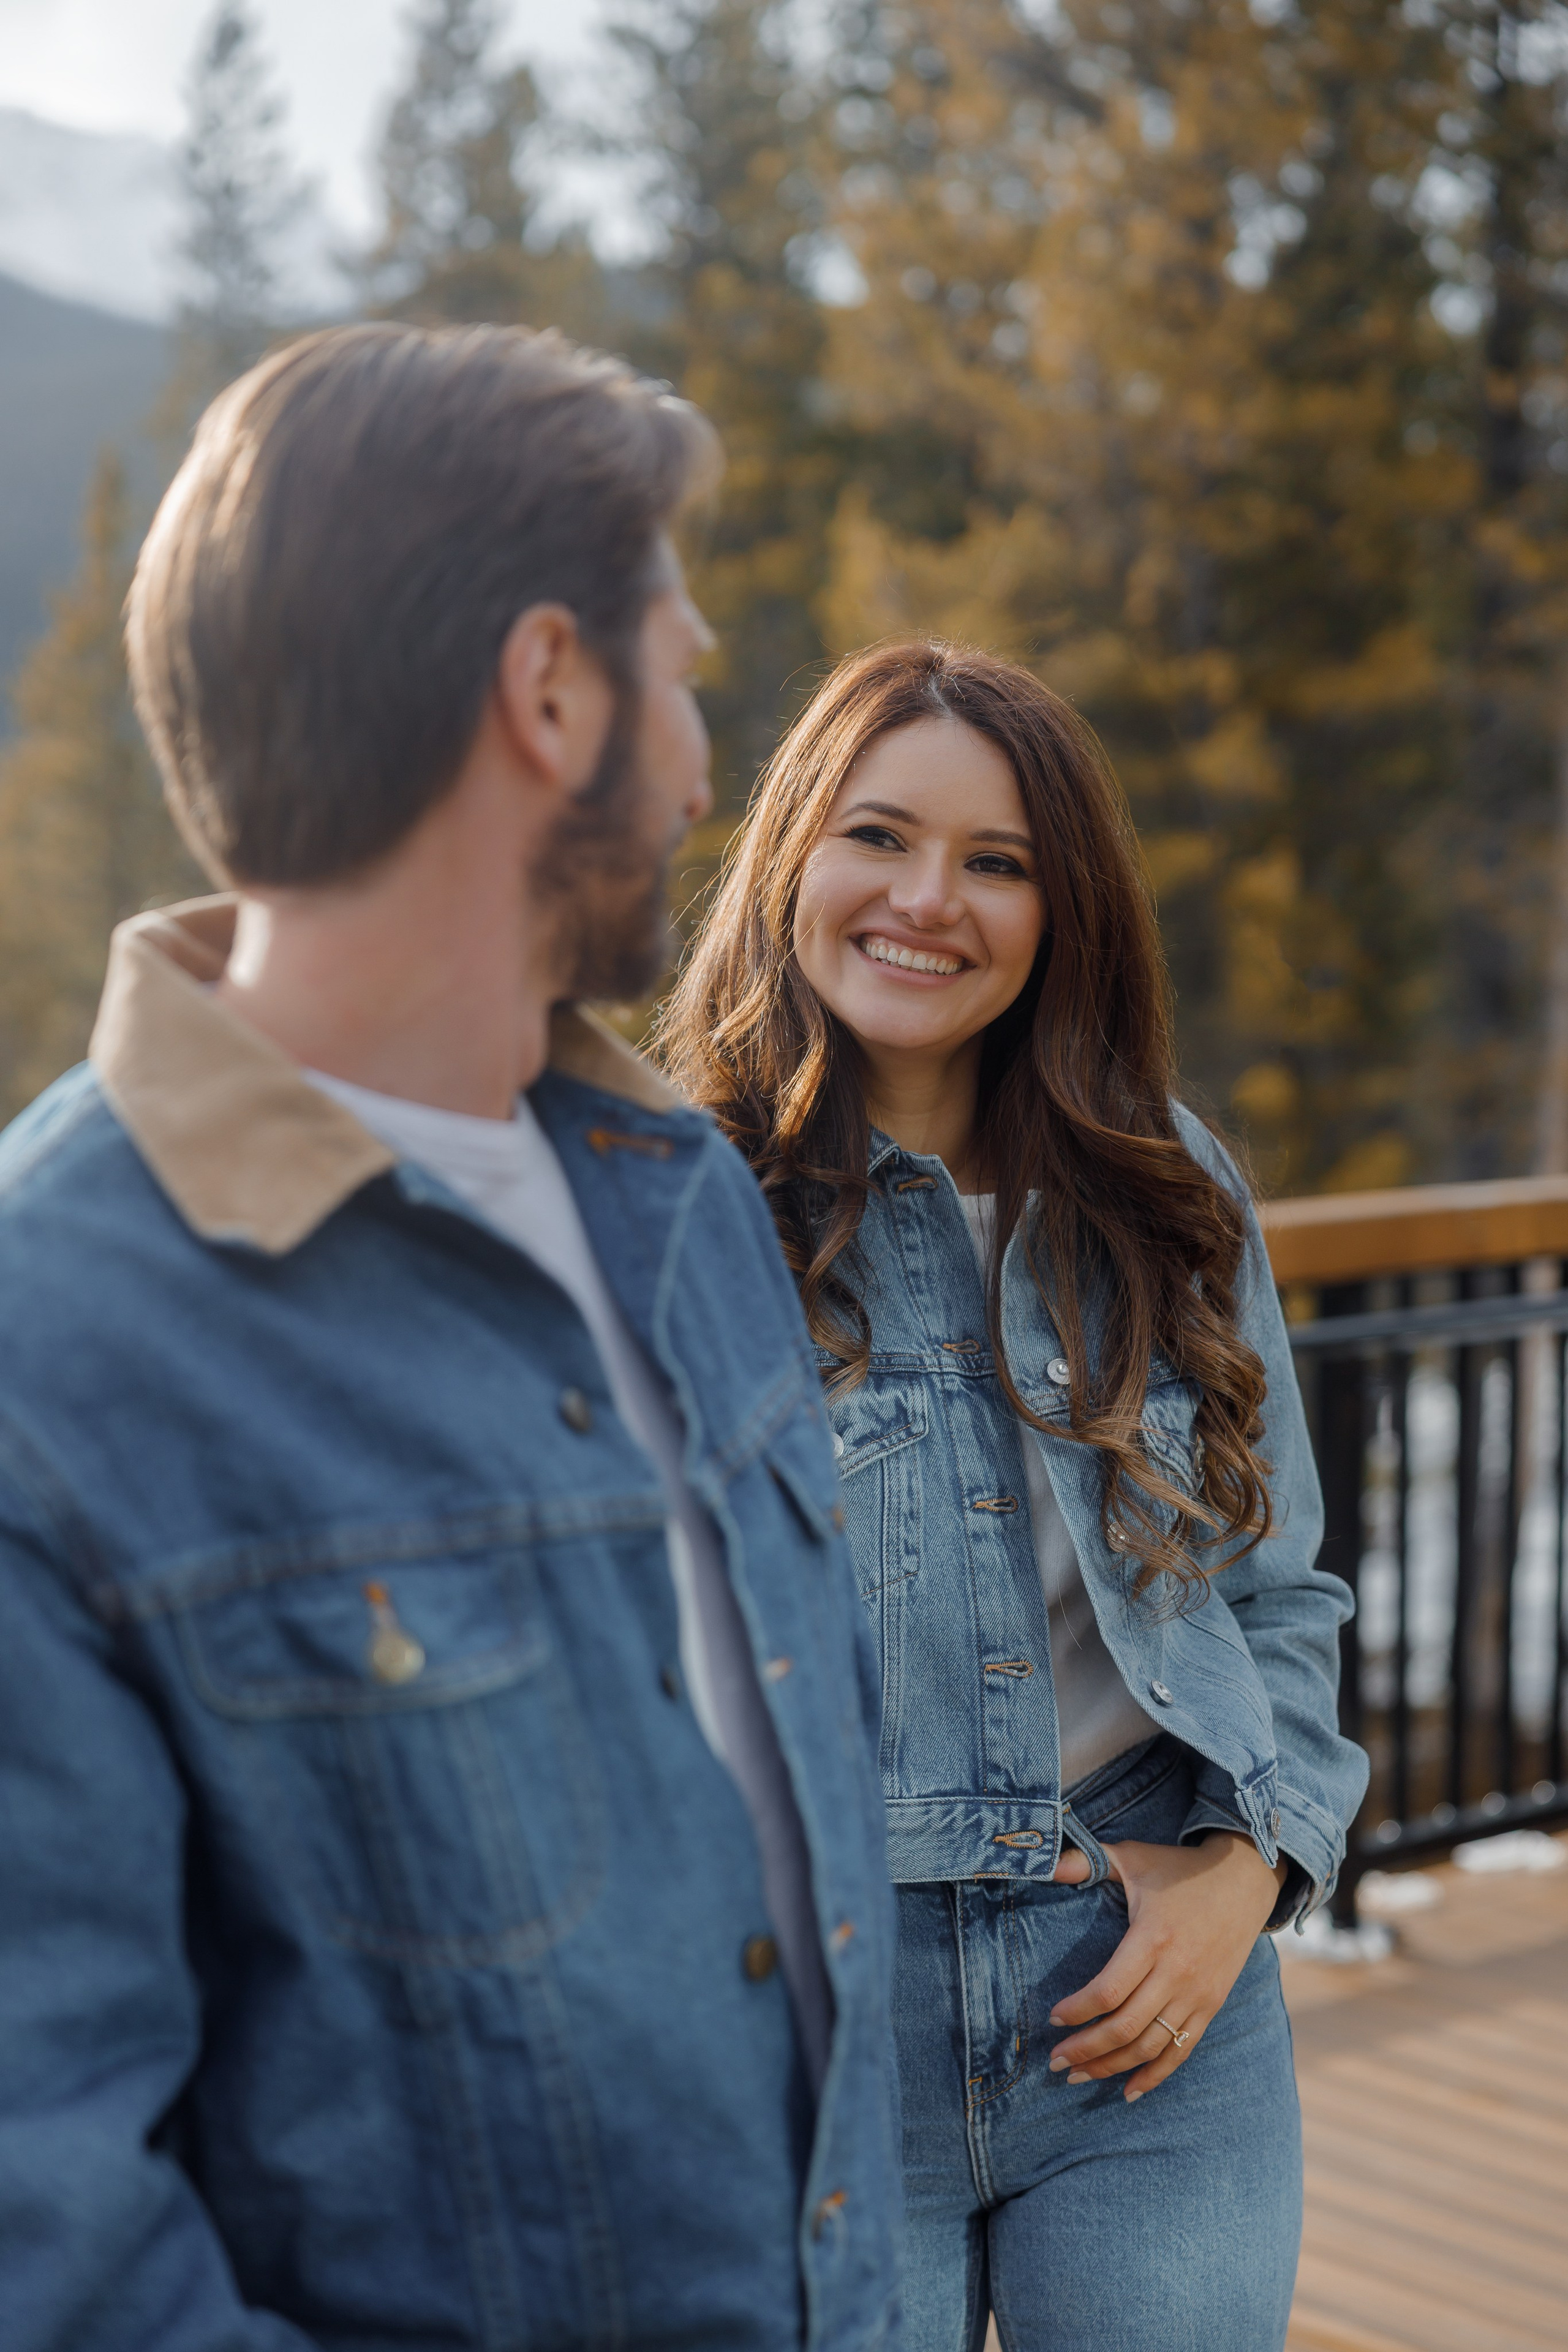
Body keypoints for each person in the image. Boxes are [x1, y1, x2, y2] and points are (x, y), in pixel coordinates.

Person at [0, 325, 901, 2352]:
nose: (700, 770)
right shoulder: (45, 1362)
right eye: (679, 675)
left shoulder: (681, 1206)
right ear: (548, 687)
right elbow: (50, 2260)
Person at [660, 641, 1370, 2352]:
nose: (930, 901)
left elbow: (1278, 1594)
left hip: (1149, 2009)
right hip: (813, 2037)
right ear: (791, 861)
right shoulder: (673, 1214)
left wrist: (1247, 1878)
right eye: (878, 836)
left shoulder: (1168, 1188)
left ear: (1068, 913)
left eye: (1000, 863)